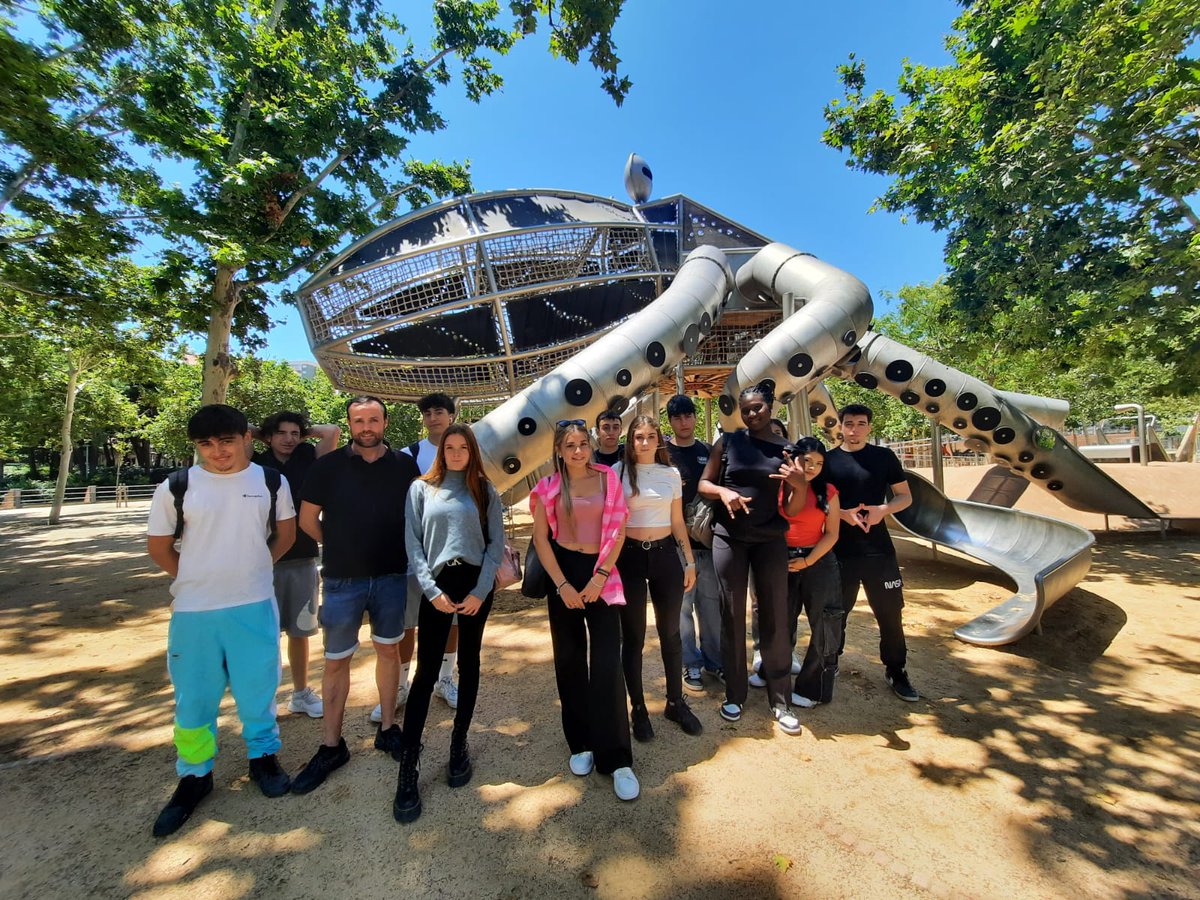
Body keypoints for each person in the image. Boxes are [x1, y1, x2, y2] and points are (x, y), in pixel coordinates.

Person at [145, 404, 297, 837]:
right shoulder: (177, 486)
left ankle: (263, 758)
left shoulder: (271, 482)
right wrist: (196, 577)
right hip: (194, 612)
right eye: (206, 444)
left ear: (247, 438)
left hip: (254, 604)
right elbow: (159, 547)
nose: (217, 451)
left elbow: (285, 535)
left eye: (226, 441)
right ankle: (194, 774)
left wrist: (254, 569)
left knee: (258, 689)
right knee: (193, 698)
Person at [292, 396, 420, 793]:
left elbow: (416, 513)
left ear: (385, 422)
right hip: (342, 580)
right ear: (349, 424)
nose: (367, 427)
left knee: (388, 651)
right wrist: (338, 544)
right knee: (336, 661)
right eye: (359, 420)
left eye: (373, 420)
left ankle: (388, 728)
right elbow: (307, 520)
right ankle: (332, 745)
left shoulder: (404, 465)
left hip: (391, 576)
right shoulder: (327, 467)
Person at [394, 424, 504, 823]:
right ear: (442, 451)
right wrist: (431, 590)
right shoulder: (421, 489)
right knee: (426, 674)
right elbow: (413, 543)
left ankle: (459, 743)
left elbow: (495, 544)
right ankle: (409, 763)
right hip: (437, 585)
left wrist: (480, 591)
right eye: (450, 447)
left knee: (470, 663)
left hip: (475, 584)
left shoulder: (484, 489)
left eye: (463, 447)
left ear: (472, 451)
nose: (456, 453)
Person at [530, 420, 638, 800]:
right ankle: (581, 742)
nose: (578, 451)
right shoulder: (547, 487)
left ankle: (617, 757)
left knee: (607, 661)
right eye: (570, 445)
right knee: (570, 658)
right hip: (563, 571)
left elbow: (619, 530)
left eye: (582, 444)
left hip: (601, 571)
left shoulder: (608, 479)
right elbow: (541, 539)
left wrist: (600, 576)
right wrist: (562, 584)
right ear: (559, 451)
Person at [698, 383, 802, 735]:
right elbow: (704, 484)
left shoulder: (786, 450)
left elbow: (794, 508)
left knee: (775, 616)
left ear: (770, 407)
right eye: (746, 410)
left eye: (758, 407)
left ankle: (780, 698)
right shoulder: (728, 442)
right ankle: (735, 694)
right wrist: (723, 492)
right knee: (731, 614)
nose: (752, 413)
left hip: (770, 540)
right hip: (730, 538)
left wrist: (800, 483)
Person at [372, 391, 460, 724]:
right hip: (415, 555)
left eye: (439, 411)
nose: (433, 418)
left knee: (452, 619)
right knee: (408, 622)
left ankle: (445, 679)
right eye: (427, 413)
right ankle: (401, 685)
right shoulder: (408, 455)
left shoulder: (467, 451)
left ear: (451, 415)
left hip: (453, 554)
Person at [614, 415, 703, 740]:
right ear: (631, 441)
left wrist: (689, 561)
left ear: (658, 440)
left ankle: (675, 702)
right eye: (638, 436)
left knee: (671, 633)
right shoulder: (618, 473)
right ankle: (638, 708)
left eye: (650, 436)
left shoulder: (671, 474)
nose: (644, 442)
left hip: (666, 556)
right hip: (629, 557)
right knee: (634, 637)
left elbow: (678, 522)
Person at [825, 404, 919, 701]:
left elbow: (905, 496)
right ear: (840, 426)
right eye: (849, 423)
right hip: (840, 550)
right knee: (836, 612)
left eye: (861, 424)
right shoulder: (828, 461)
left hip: (879, 551)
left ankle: (896, 669)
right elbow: (818, 502)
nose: (854, 429)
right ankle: (830, 662)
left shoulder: (884, 457)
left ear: (869, 427)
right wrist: (842, 515)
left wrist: (883, 510)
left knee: (890, 613)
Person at [251, 411, 340, 718]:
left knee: (300, 632)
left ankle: (300, 693)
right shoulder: (256, 463)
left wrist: (301, 433)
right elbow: (241, 430)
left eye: (294, 433)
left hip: (302, 557)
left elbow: (332, 431)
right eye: (281, 433)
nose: (288, 439)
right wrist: (265, 432)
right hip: (263, 560)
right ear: (268, 437)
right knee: (264, 634)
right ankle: (263, 700)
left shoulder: (309, 458)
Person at [776, 437, 842, 707]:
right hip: (781, 560)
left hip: (819, 560)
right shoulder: (779, 485)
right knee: (779, 622)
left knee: (825, 624)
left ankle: (812, 688)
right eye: (807, 461)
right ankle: (775, 679)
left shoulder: (828, 491)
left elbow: (832, 533)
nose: (812, 467)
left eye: (819, 463)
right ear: (793, 459)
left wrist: (809, 560)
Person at [666, 395, 722, 692]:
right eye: (677, 417)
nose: (684, 422)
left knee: (711, 607)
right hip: (675, 546)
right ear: (670, 421)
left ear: (696, 417)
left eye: (688, 415)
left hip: (708, 545)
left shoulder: (708, 451)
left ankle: (715, 661)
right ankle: (691, 664)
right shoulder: (663, 453)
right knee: (682, 610)